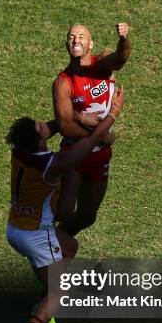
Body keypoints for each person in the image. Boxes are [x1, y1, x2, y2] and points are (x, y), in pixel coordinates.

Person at [5, 87, 125, 323]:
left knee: (70, 246)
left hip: (15, 229)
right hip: (37, 234)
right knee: (62, 290)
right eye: (41, 127)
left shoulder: (21, 152)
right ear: (39, 139)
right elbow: (93, 141)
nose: (46, 125)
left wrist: (72, 115)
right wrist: (113, 113)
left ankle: (46, 307)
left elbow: (58, 125)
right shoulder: (53, 164)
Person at [52, 22, 131, 237]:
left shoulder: (102, 63)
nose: (76, 40)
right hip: (74, 153)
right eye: (71, 37)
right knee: (63, 211)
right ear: (66, 44)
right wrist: (100, 135)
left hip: (100, 155)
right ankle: (49, 253)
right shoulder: (63, 82)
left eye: (81, 36)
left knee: (88, 216)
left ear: (91, 44)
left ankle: (59, 241)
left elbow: (121, 58)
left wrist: (124, 39)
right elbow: (65, 126)